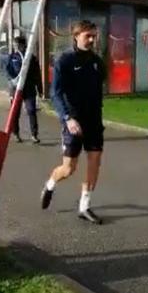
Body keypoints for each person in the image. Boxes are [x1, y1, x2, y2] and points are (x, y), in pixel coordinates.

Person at [40, 20, 106, 224]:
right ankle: (50, 184)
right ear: (76, 36)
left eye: (94, 36)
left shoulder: (97, 62)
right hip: (73, 121)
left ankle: (84, 206)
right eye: (88, 36)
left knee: (95, 162)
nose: (92, 40)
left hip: (94, 121)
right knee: (69, 169)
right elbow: (55, 94)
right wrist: (67, 118)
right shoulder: (65, 61)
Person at [6, 36, 42, 144]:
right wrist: (13, 80)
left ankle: (34, 134)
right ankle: (16, 133)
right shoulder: (12, 57)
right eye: (14, 45)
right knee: (15, 112)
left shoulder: (31, 57)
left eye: (18, 45)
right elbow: (8, 70)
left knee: (31, 110)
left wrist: (39, 89)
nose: (16, 47)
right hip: (16, 89)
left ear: (24, 45)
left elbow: (37, 74)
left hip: (29, 88)